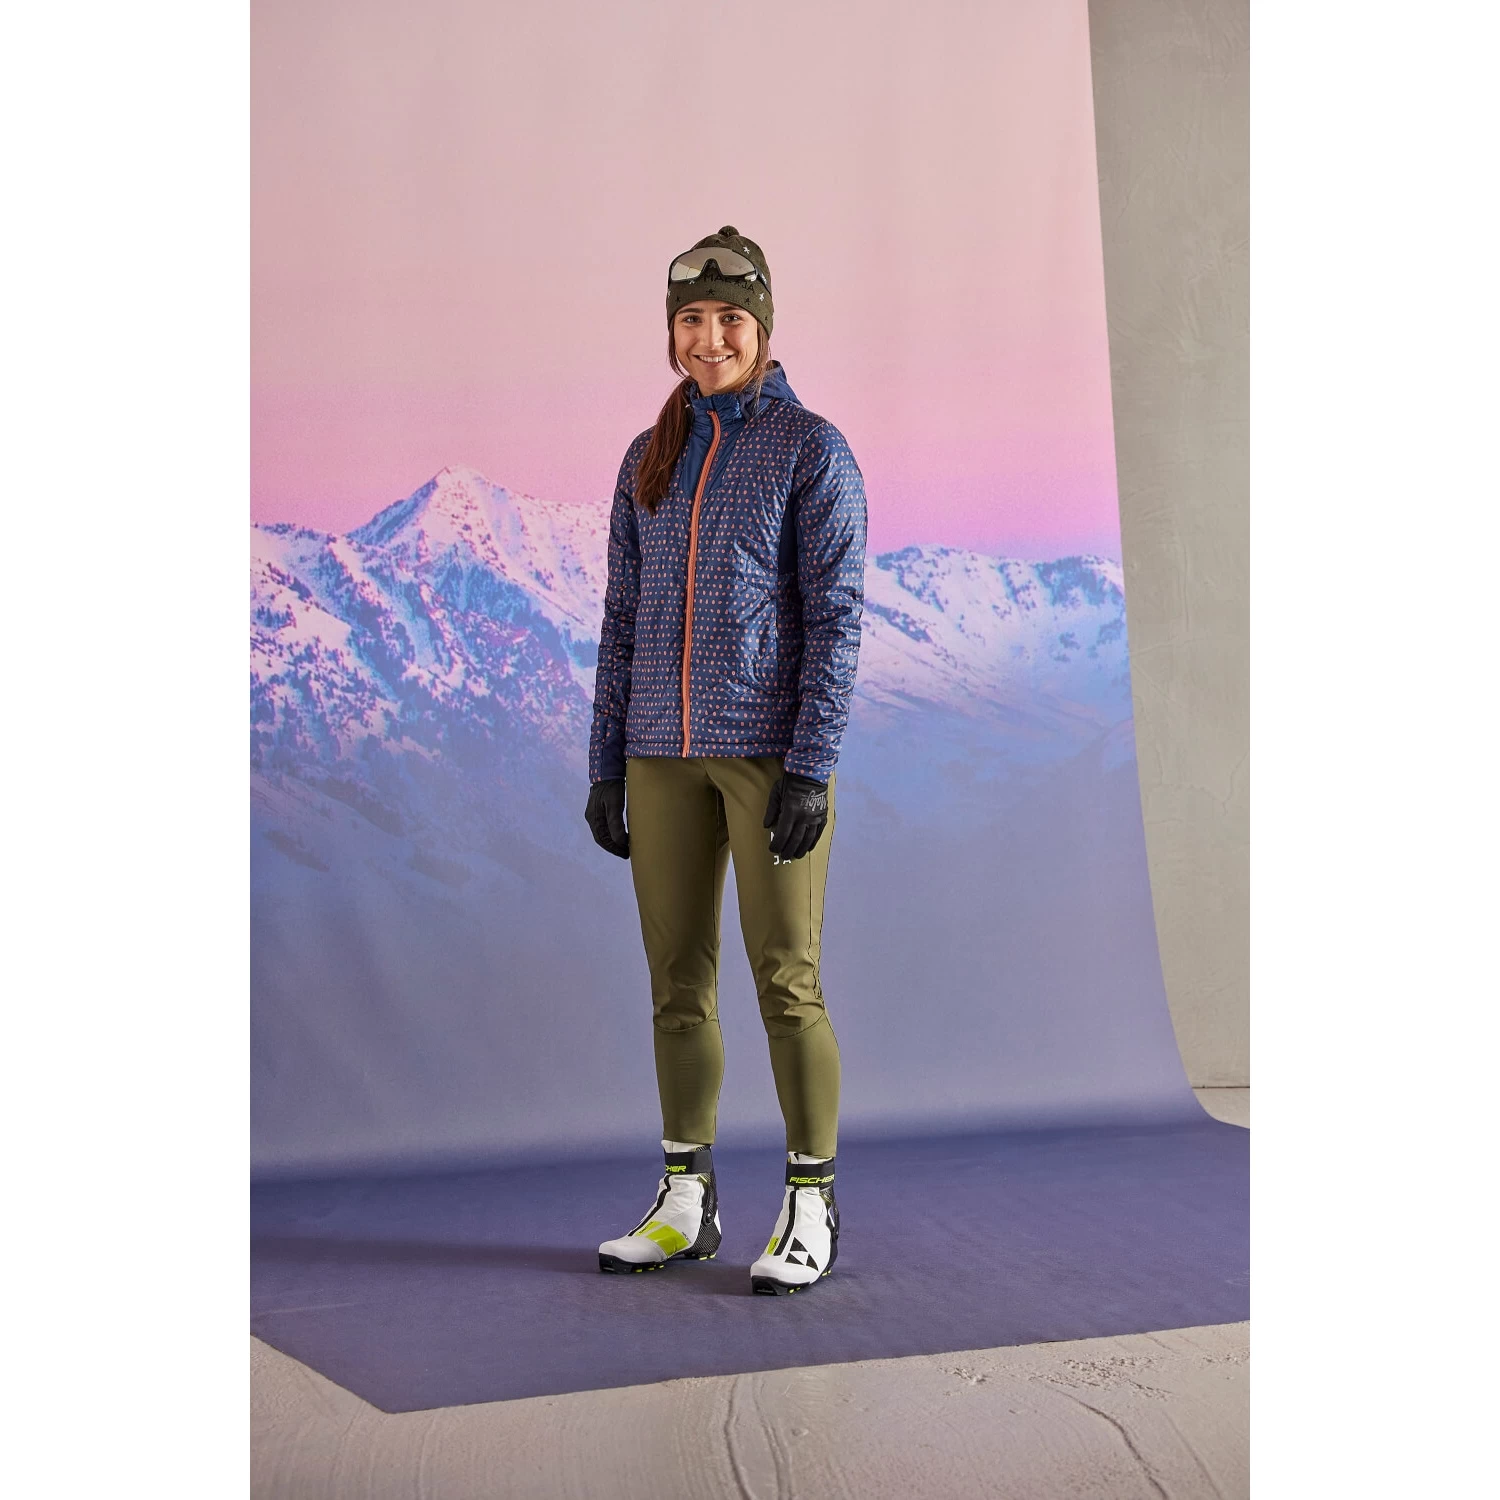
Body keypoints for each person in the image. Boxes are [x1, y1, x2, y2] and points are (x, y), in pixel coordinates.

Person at [584, 226, 867, 1295]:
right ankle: (685, 1202)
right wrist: (607, 762)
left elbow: (837, 618)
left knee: (786, 981)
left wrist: (811, 764)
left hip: (765, 757)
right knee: (677, 983)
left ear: (764, 328)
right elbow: (621, 619)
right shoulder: (646, 457)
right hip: (660, 754)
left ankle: (810, 1202)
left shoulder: (810, 450)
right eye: (691, 320)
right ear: (671, 332)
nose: (710, 338)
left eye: (731, 319)